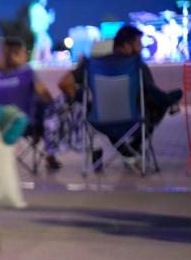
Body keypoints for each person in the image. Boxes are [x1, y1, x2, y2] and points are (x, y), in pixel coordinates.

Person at [58, 24, 183, 172]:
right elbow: (154, 94)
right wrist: (172, 99)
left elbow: (64, 83)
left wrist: (86, 103)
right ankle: (134, 147)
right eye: (138, 43)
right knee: (160, 101)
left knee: (112, 112)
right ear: (126, 46)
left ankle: (127, 151)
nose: (142, 47)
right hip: (133, 120)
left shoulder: (92, 65)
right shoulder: (136, 66)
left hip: (99, 121)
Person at [0, 36, 61, 170]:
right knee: (51, 109)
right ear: (16, 55)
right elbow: (46, 96)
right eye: (24, 53)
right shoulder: (27, 73)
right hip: (25, 125)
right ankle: (50, 154)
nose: (26, 57)